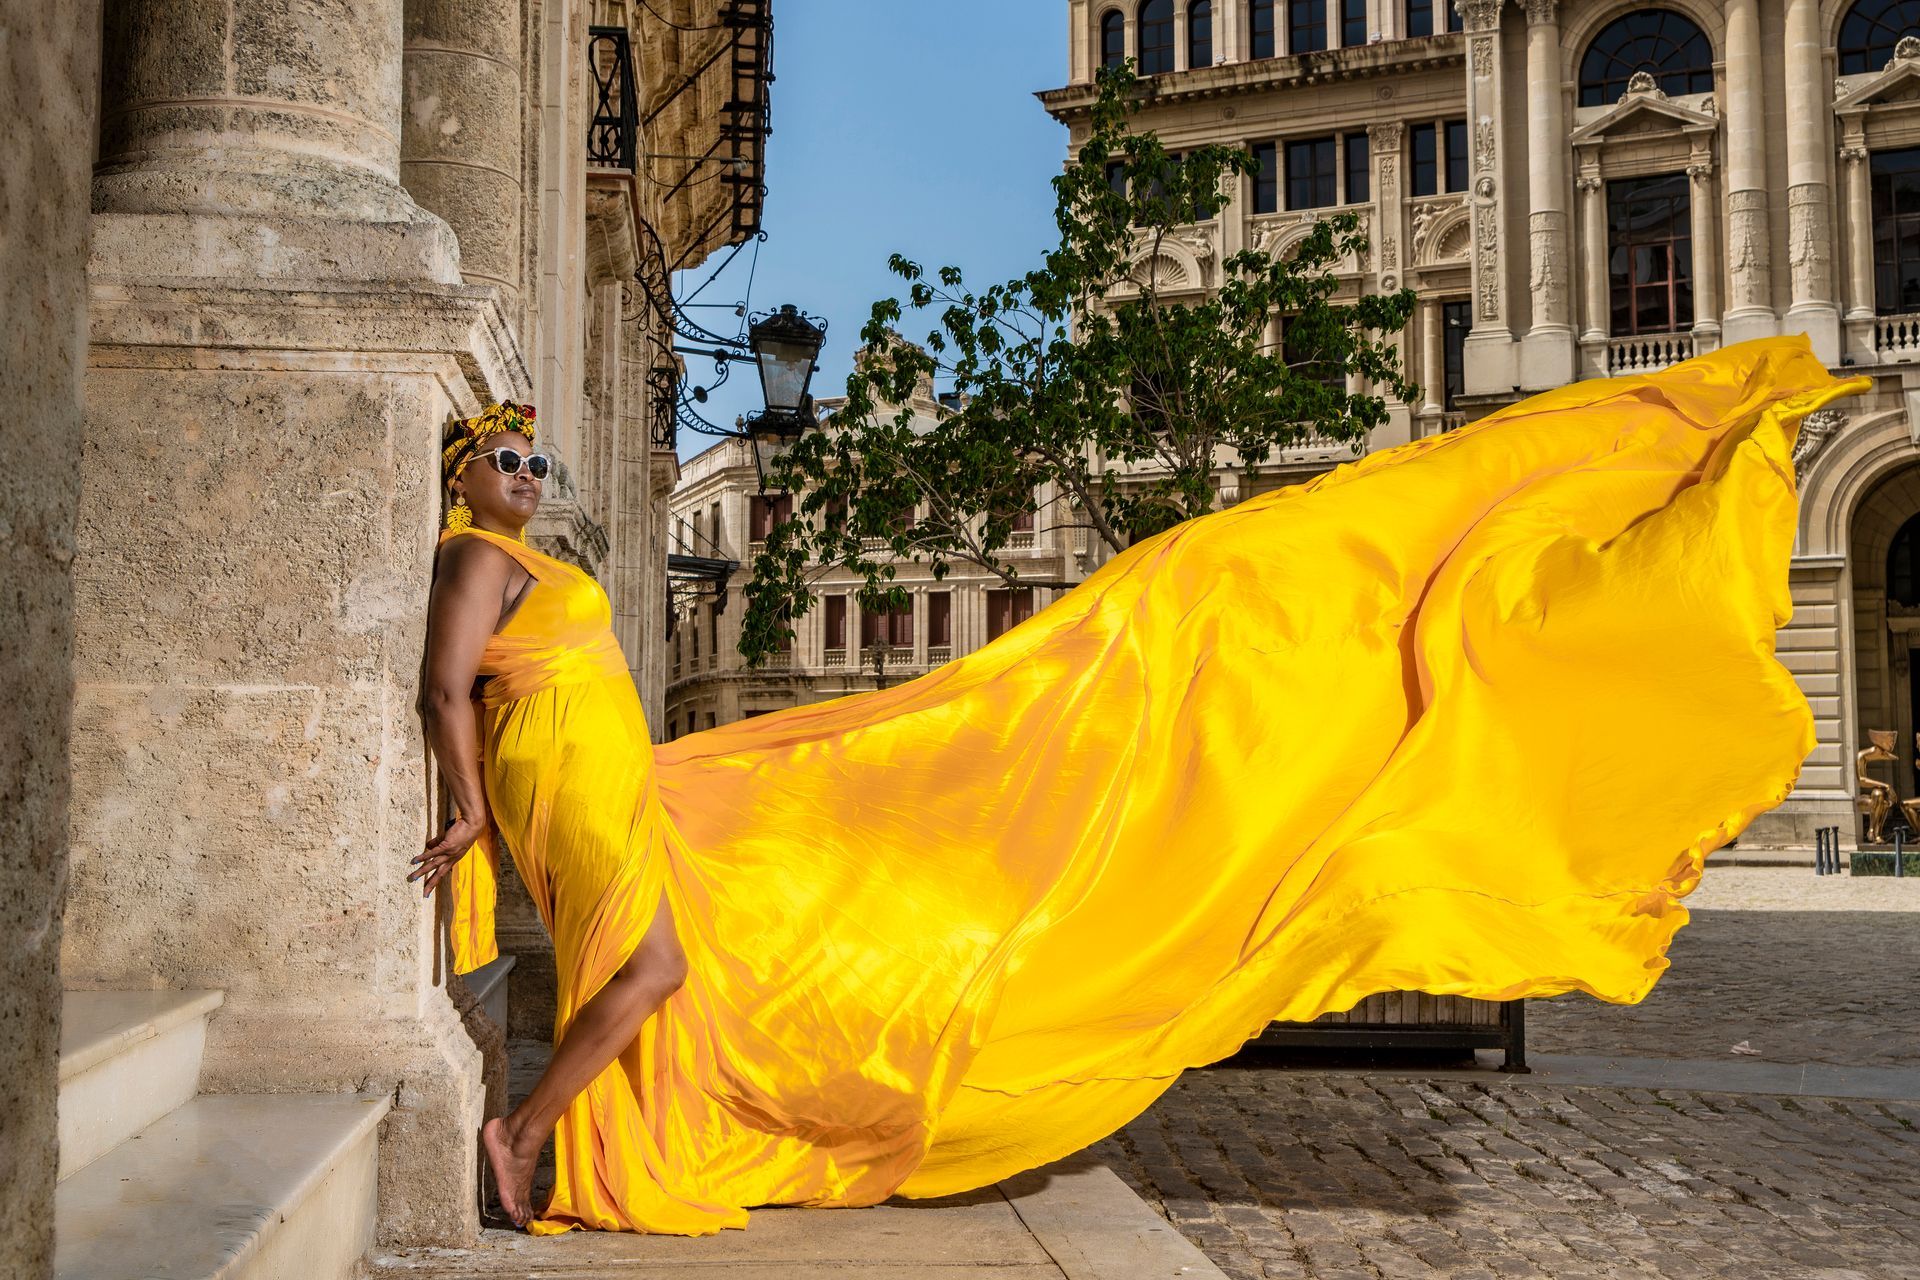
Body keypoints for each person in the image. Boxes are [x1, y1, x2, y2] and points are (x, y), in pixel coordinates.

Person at [415, 336, 1864, 1236]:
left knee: (699, 934)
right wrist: (475, 803)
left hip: (611, 769)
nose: (532, 475)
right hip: (560, 774)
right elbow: (444, 685)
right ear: (468, 480)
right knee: (656, 958)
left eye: (540, 459)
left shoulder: (541, 560)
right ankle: (526, 1132)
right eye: (510, 458)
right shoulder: (475, 561)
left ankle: (559, 1122)